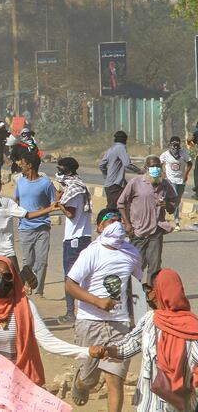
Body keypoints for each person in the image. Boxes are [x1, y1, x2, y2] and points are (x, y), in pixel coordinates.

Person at [0, 256, 100, 398]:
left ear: (14, 278)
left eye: (7, 276)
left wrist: (86, 352)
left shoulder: (24, 306)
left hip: (16, 381)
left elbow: (48, 341)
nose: (1, 281)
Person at [65, 220, 144, 412]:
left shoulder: (132, 253)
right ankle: (82, 383)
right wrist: (97, 301)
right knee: (89, 379)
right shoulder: (91, 252)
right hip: (90, 321)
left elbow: (134, 289)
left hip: (119, 323)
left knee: (114, 379)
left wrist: (136, 321)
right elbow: (70, 285)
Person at [100, 269, 198, 412]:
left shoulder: (192, 329)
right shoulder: (149, 320)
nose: (148, 294)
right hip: (148, 405)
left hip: (180, 407)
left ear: (160, 291)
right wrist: (107, 350)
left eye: (149, 289)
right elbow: (129, 345)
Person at [0, 172, 57, 274]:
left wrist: (50, 209)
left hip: (7, 252)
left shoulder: (7, 203)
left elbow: (28, 215)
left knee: (16, 283)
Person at [118, 155, 178, 282]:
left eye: (158, 166)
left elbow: (173, 206)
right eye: (152, 166)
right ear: (146, 168)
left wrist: (167, 204)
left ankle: (151, 295)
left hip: (156, 230)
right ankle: (134, 295)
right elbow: (121, 203)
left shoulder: (165, 184)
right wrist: (127, 223)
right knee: (137, 265)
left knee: (155, 266)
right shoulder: (135, 183)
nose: (155, 168)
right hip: (138, 231)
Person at [52, 157, 93, 324]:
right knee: (83, 277)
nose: (59, 171)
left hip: (74, 239)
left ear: (68, 171)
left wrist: (59, 203)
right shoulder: (77, 186)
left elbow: (70, 214)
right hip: (83, 237)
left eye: (61, 168)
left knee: (70, 278)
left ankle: (71, 313)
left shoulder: (73, 189)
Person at [14, 152, 56, 297]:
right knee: (28, 262)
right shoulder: (20, 182)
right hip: (25, 228)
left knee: (42, 262)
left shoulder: (46, 183)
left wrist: (45, 209)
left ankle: (39, 292)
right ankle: (28, 285)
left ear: (30, 165)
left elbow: (54, 202)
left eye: (23, 163)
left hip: (42, 227)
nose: (21, 165)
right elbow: (17, 201)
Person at [99, 130, 142, 209]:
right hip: (115, 185)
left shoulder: (111, 149)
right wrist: (140, 171)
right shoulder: (121, 147)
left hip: (110, 184)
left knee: (126, 201)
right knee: (113, 209)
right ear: (125, 139)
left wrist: (107, 176)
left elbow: (101, 165)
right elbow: (127, 164)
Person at [160, 136, 192, 231]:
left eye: (177, 145)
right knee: (174, 198)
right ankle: (176, 222)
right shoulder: (165, 154)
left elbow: (190, 163)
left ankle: (171, 215)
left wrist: (186, 174)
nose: (175, 148)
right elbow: (159, 163)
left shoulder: (183, 154)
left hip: (181, 181)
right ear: (170, 145)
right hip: (170, 180)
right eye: (173, 145)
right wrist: (163, 173)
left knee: (177, 201)